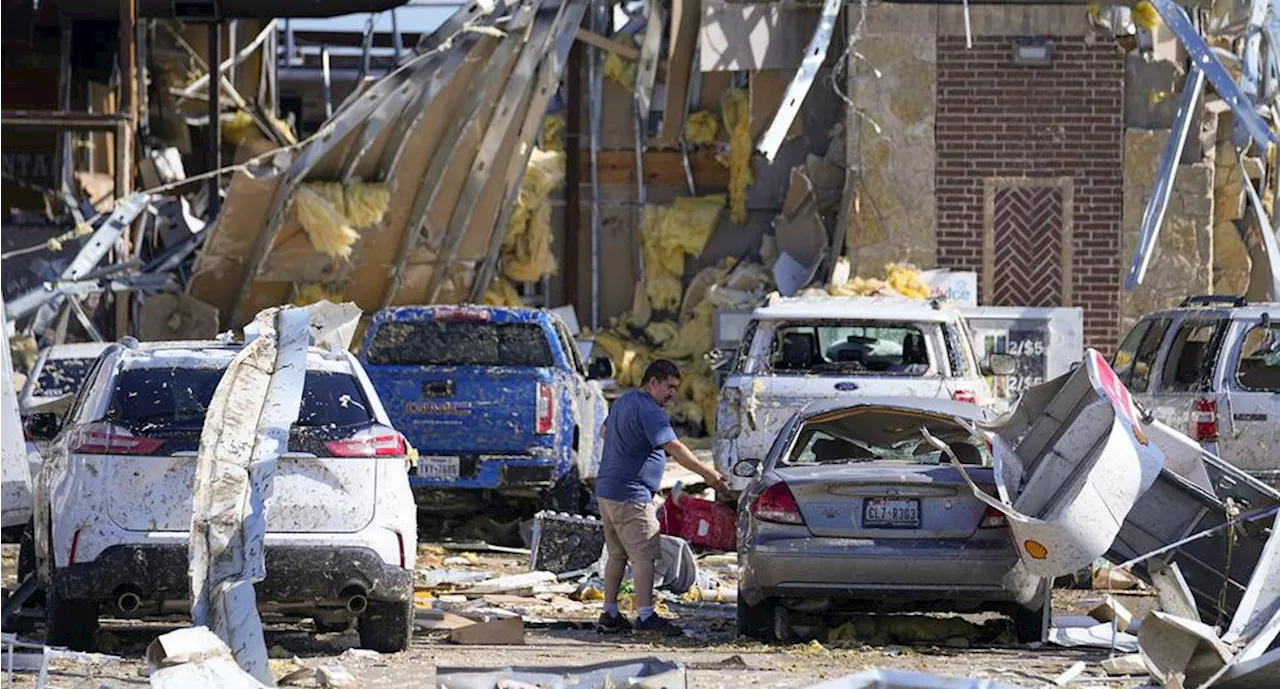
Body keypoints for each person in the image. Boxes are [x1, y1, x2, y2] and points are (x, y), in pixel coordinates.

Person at [593, 359, 729, 636]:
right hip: (631, 495)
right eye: (669, 387)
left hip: (607, 490)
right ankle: (645, 616)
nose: (672, 394)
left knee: (617, 556)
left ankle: (609, 613)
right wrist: (709, 474)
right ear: (653, 383)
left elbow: (604, 431)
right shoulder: (650, 410)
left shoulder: (623, 401)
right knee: (645, 556)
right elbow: (675, 447)